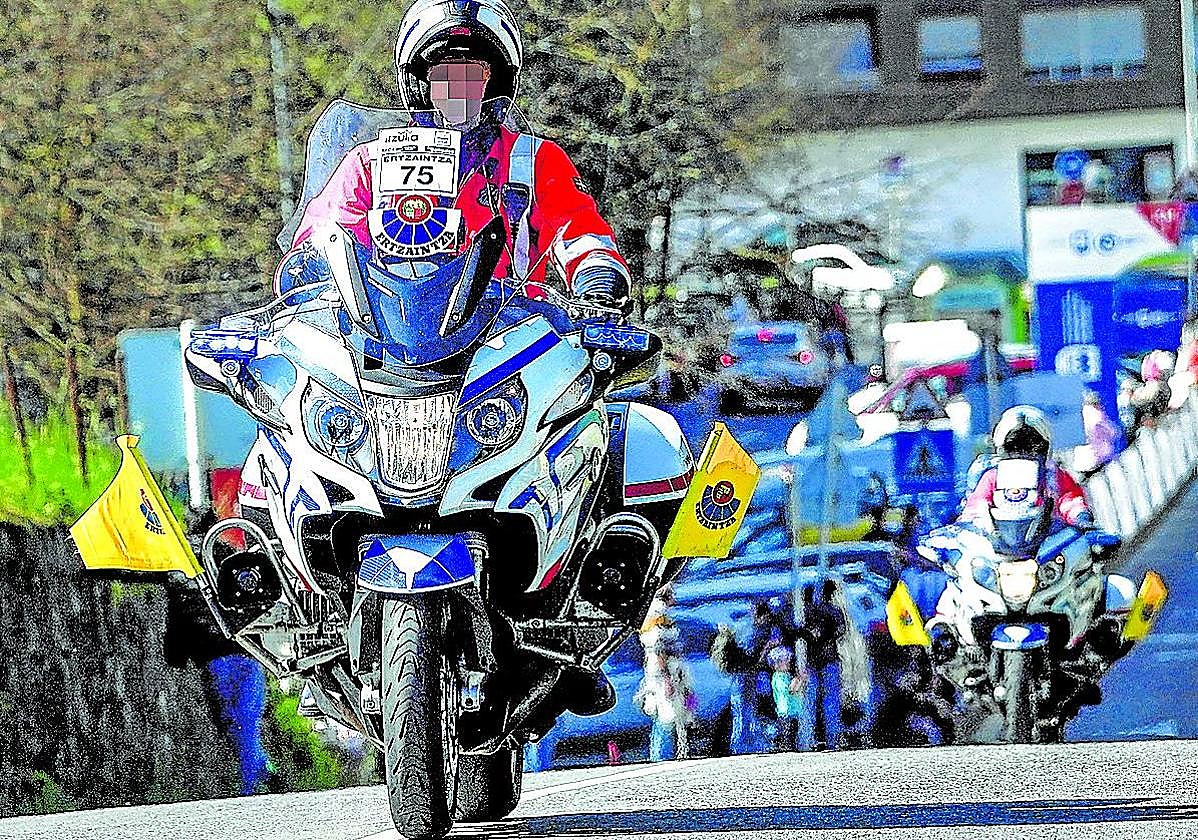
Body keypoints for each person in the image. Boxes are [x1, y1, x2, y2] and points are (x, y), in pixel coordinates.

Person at [275, 0, 630, 311]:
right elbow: (326, 233)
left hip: (509, 337)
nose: (458, 87)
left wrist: (597, 276)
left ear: (494, 80)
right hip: (388, 340)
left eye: (472, 74)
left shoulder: (534, 159)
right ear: (421, 83)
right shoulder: (371, 161)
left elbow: (580, 230)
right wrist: (307, 268)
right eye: (444, 75)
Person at [959, 405, 1094, 533]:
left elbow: (1069, 500)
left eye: (1032, 448)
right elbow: (977, 504)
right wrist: (979, 522)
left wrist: (1079, 515)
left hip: (1047, 545)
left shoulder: (1053, 476)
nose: (1023, 454)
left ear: (1045, 448)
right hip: (996, 545)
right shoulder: (992, 476)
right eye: (1014, 448)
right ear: (1002, 449)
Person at [798, 581, 846, 751]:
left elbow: (798, 632)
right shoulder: (833, 611)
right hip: (829, 659)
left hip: (812, 661)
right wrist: (827, 634)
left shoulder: (804, 612)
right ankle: (833, 739)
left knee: (810, 701)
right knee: (830, 700)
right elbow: (841, 630)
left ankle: (807, 740)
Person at [1073, 390, 1119, 476]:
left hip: (1082, 462)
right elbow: (1112, 432)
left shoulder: (1079, 415)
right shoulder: (1096, 415)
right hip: (1096, 461)